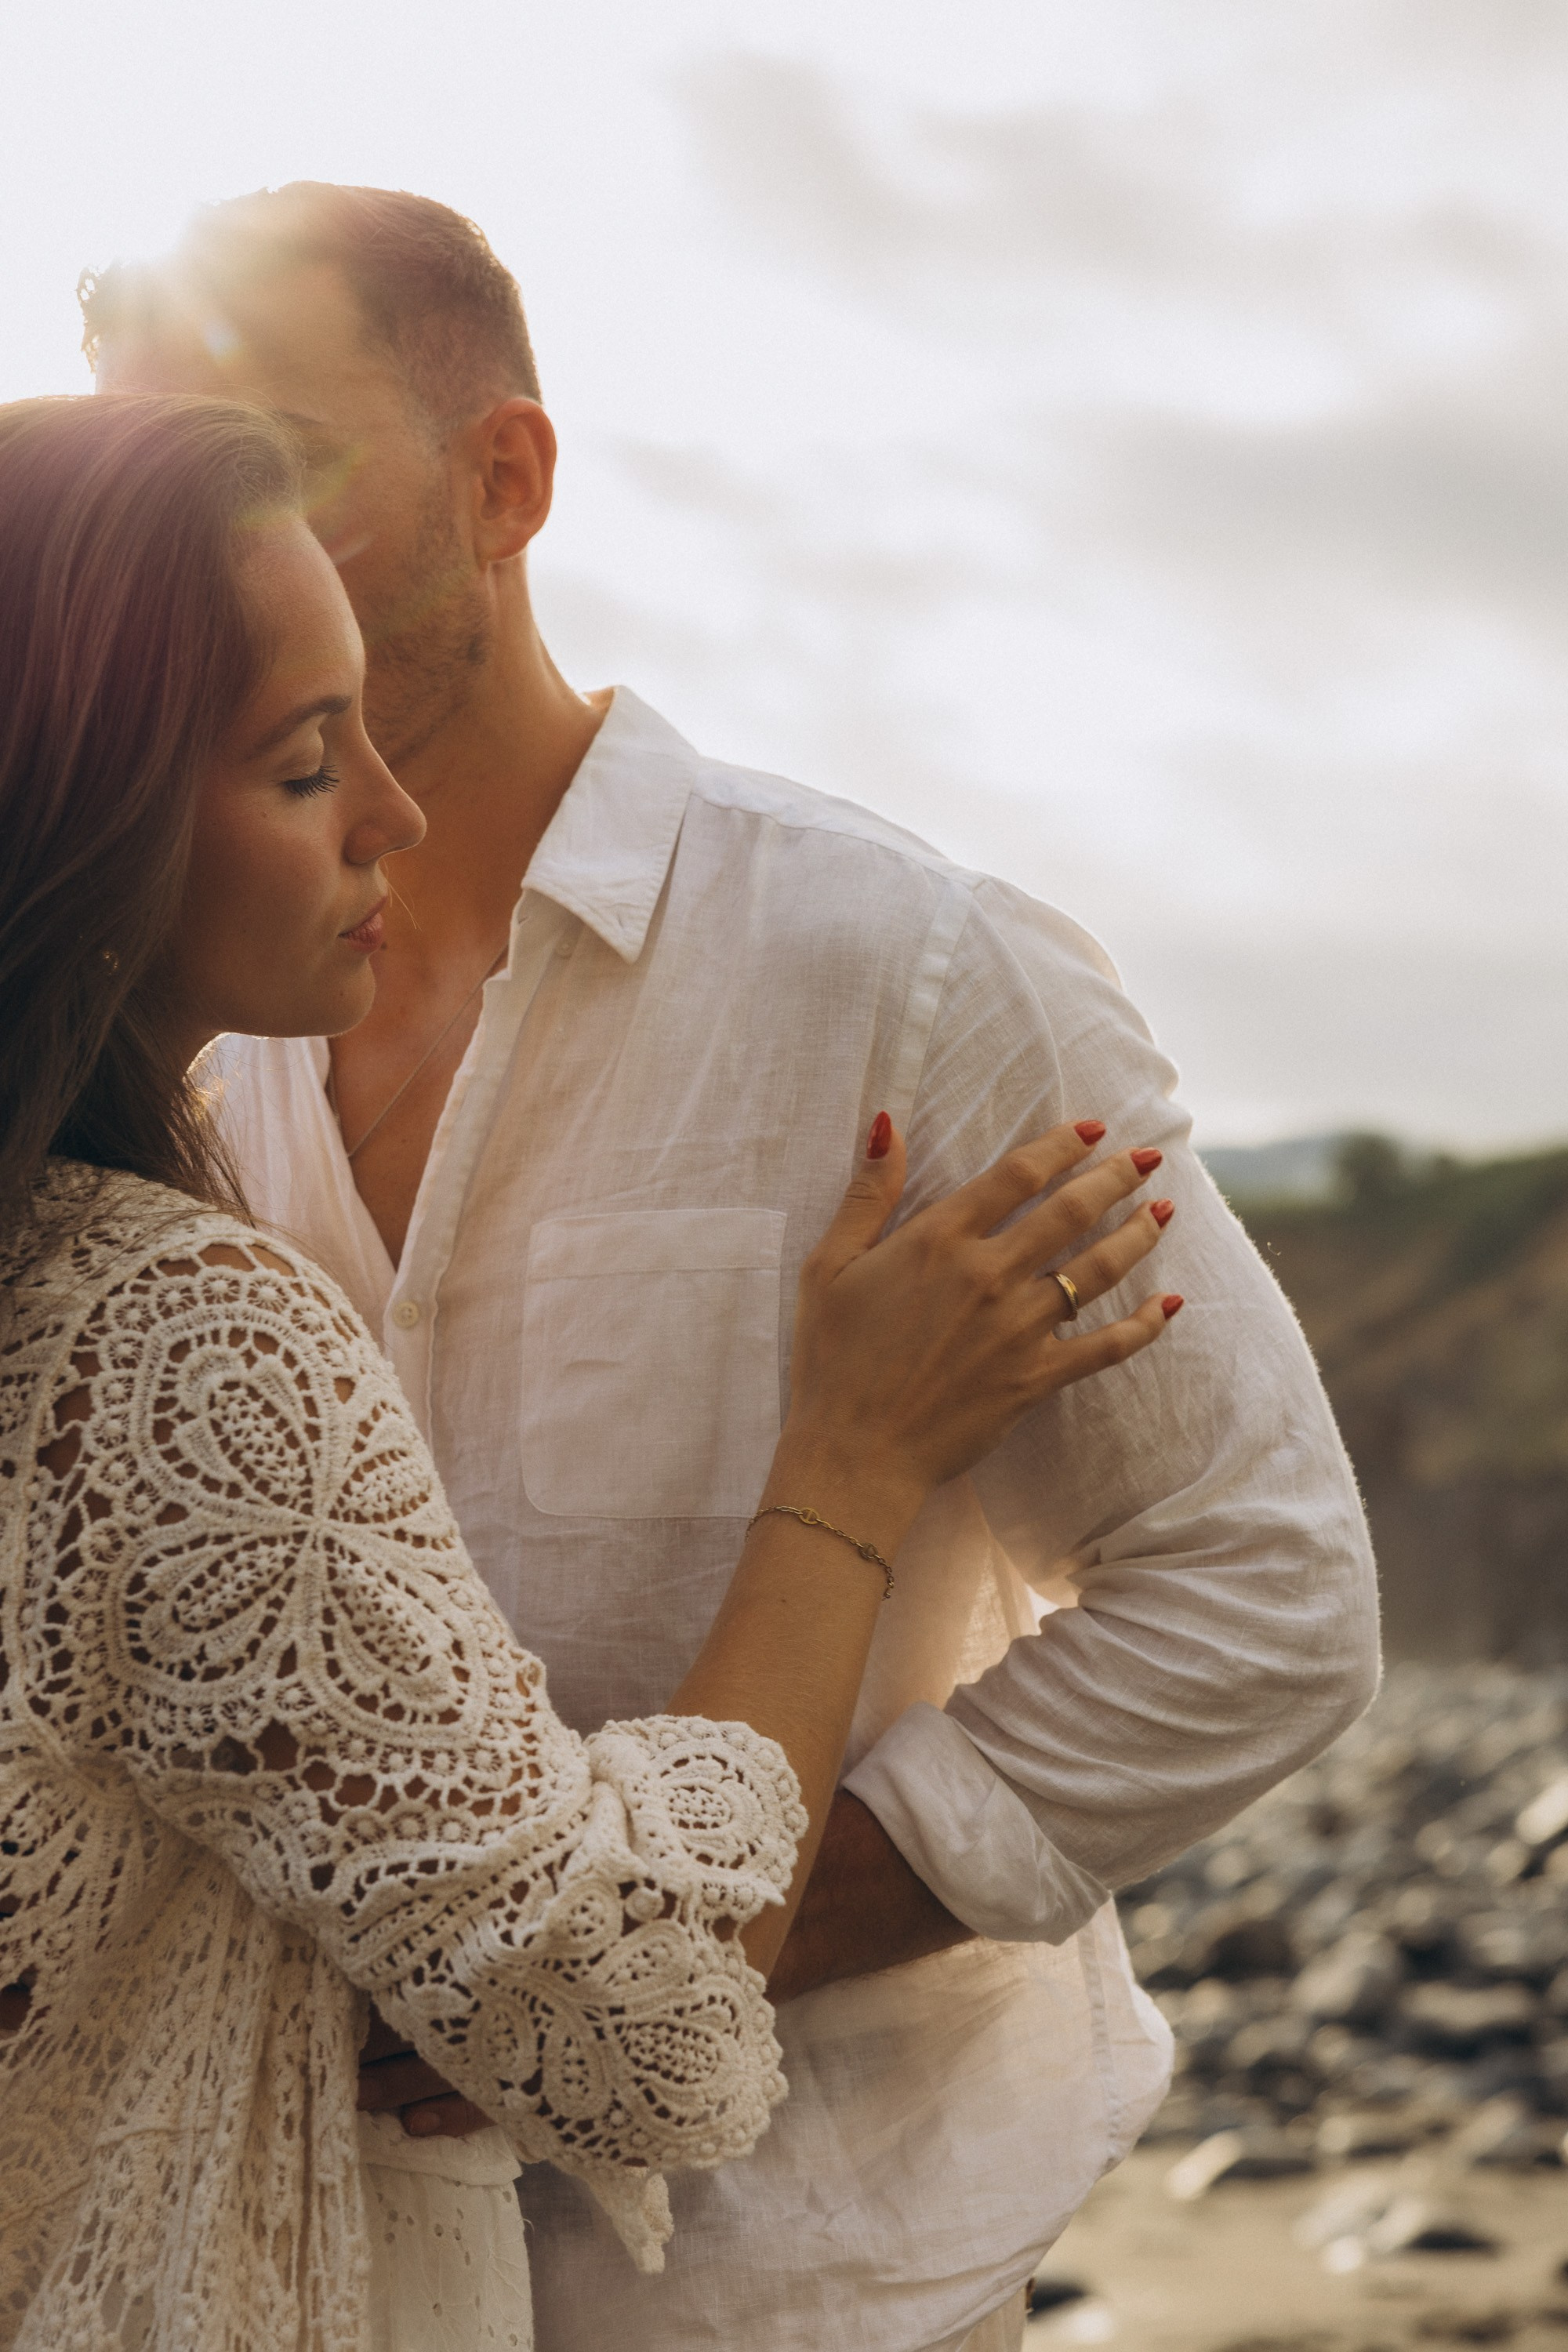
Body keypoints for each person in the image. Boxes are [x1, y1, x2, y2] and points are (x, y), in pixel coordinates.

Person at [82, 186, 1380, 2352]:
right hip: (319, 2286)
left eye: (282, 463)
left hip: (810, 2285)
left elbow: (1266, 1586)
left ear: (509, 479)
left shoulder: (904, 968)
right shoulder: (166, 1048)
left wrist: (739, 1928)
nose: (226, 571)